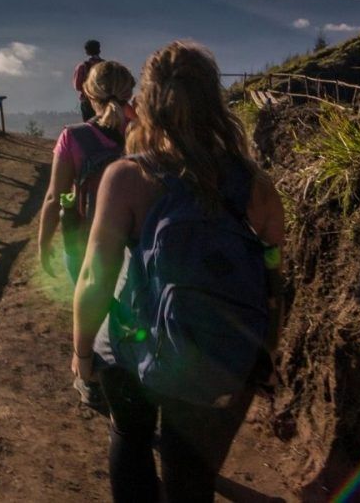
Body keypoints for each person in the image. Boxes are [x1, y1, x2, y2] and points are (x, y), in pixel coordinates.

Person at [71, 41, 285, 503]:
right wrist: (264, 349)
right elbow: (272, 277)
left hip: (129, 352)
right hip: (212, 352)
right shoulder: (257, 187)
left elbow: (95, 279)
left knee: (130, 441)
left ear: (146, 104)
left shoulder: (126, 178)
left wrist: (82, 355)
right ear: (215, 102)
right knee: (190, 475)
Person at [38, 60, 136, 285]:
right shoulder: (145, 134)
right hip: (136, 241)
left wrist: (44, 243)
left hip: (86, 241)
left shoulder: (73, 137)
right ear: (129, 92)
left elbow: (54, 197)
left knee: (91, 307)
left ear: (89, 94)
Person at [72, 40, 104, 121]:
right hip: (104, 100)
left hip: (87, 101)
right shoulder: (107, 65)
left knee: (89, 126)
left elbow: (77, 86)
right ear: (99, 50)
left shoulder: (82, 66)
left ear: (87, 51)